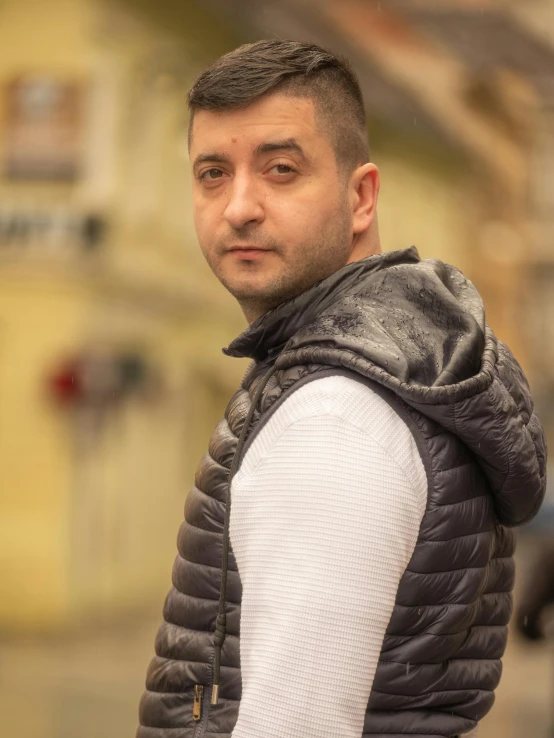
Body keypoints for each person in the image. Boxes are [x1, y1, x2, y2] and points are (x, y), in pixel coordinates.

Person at [137, 40, 547, 738]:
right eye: (212, 173)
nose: (239, 206)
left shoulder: (335, 418)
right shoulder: (394, 364)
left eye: (281, 170)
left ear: (360, 197)